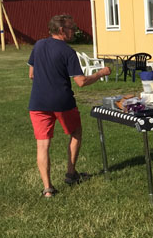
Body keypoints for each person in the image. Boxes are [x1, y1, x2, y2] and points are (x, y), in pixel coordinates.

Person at [28, 14, 111, 198]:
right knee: (76, 133)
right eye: (71, 28)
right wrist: (100, 73)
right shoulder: (68, 52)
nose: (74, 31)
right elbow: (81, 81)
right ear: (61, 30)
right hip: (62, 102)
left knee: (42, 145)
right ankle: (71, 174)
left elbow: (31, 74)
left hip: (38, 102)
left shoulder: (38, 45)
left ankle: (48, 189)